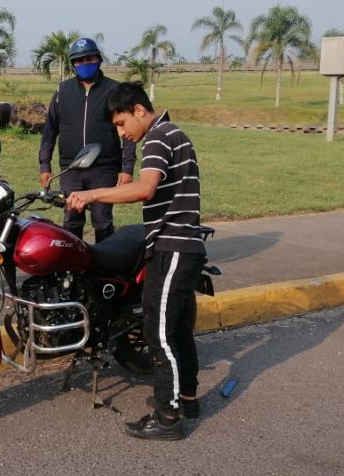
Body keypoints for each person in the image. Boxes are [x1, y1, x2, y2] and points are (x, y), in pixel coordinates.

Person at [66, 82, 205, 441]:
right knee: (176, 331)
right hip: (181, 245)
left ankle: (168, 417)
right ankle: (185, 398)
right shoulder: (173, 133)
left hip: (173, 246)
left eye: (121, 123)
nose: (121, 132)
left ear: (140, 110)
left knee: (158, 334)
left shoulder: (159, 137)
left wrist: (93, 193)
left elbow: (145, 188)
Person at [39, 37, 136, 243]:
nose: (84, 64)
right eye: (79, 61)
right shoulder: (62, 91)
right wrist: (44, 164)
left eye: (89, 59)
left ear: (98, 59)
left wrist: (127, 168)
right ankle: (74, 269)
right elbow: (50, 130)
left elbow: (128, 131)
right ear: (73, 64)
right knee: (72, 219)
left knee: (102, 220)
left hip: (104, 168)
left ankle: (104, 265)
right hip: (71, 168)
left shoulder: (114, 90)